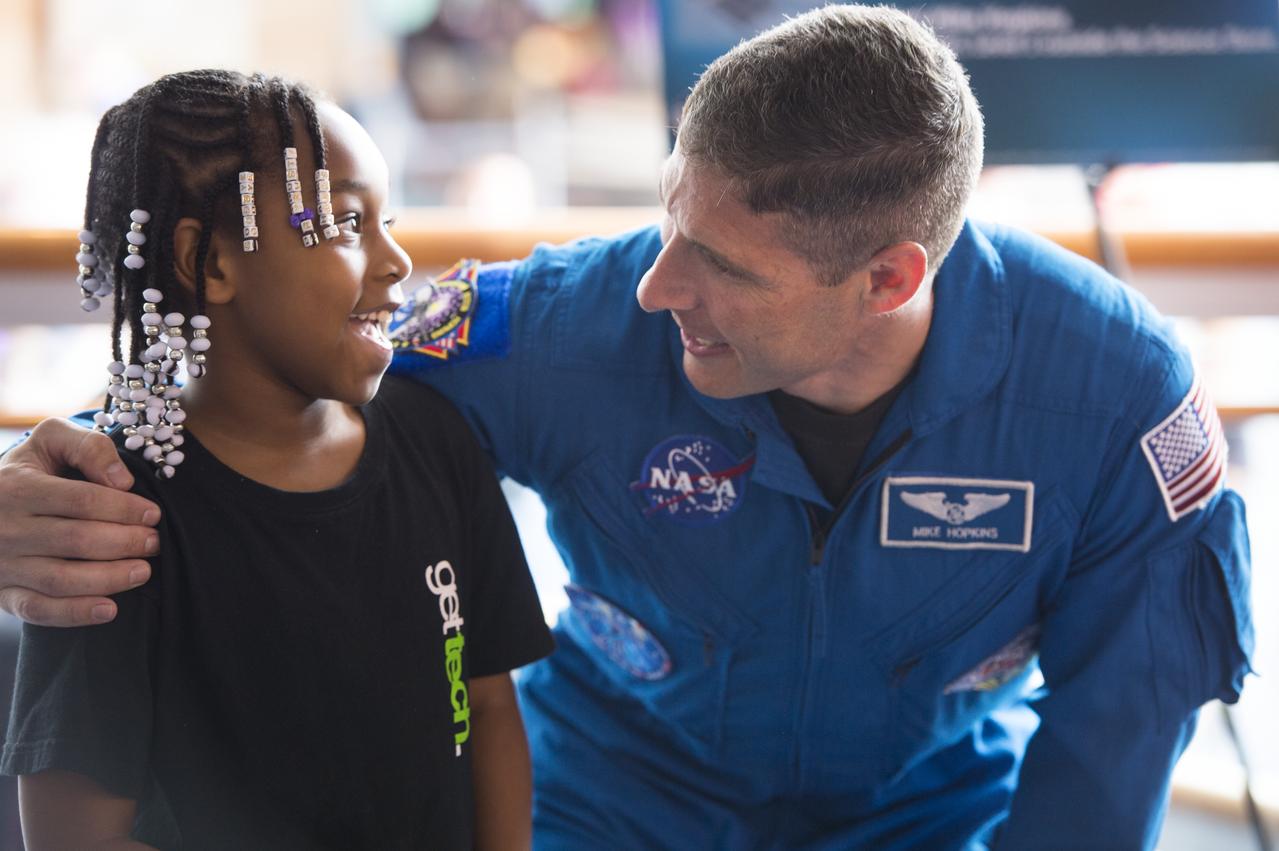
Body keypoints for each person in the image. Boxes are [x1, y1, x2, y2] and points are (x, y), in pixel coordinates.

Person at [0, 6, 1255, 849]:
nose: (657, 288)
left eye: (719, 267)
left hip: (924, 817)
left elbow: (1108, 757)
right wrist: (70, 463)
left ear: (887, 278)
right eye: (667, 224)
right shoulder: (550, 325)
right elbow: (268, 386)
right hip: (607, 808)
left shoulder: (1116, 402)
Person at [0, 70, 553, 850]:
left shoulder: (434, 437)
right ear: (206, 263)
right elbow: (74, 836)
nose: (395, 260)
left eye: (385, 220)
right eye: (346, 224)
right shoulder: (105, 517)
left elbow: (491, 707)